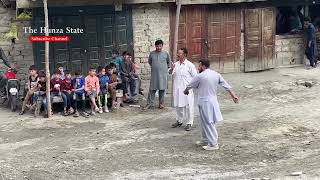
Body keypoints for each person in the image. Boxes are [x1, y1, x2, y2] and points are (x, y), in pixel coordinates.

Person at [184, 60, 239, 151]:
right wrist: (233, 95)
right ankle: (206, 140)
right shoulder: (215, 74)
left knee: (208, 122)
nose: (198, 68)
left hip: (205, 102)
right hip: (213, 100)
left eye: (199, 66)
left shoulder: (200, 76)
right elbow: (226, 85)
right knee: (204, 121)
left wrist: (185, 91)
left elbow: (190, 85)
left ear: (202, 65)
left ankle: (213, 144)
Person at [169, 48, 197, 131]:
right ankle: (179, 120)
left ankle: (189, 122)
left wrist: (191, 87)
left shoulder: (190, 65)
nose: (178, 55)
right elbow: (170, 73)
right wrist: (171, 68)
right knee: (178, 105)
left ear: (185, 55)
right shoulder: (176, 64)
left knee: (189, 106)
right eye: (178, 53)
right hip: (177, 88)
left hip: (187, 89)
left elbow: (195, 77)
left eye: (180, 53)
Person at [144, 39, 170, 109]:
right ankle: (149, 103)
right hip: (154, 75)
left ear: (162, 46)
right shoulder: (152, 54)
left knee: (162, 89)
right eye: (157, 46)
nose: (159, 47)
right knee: (152, 89)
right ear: (155, 46)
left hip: (163, 75)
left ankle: (161, 103)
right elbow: (150, 62)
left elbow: (168, 62)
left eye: (160, 46)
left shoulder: (165, 53)